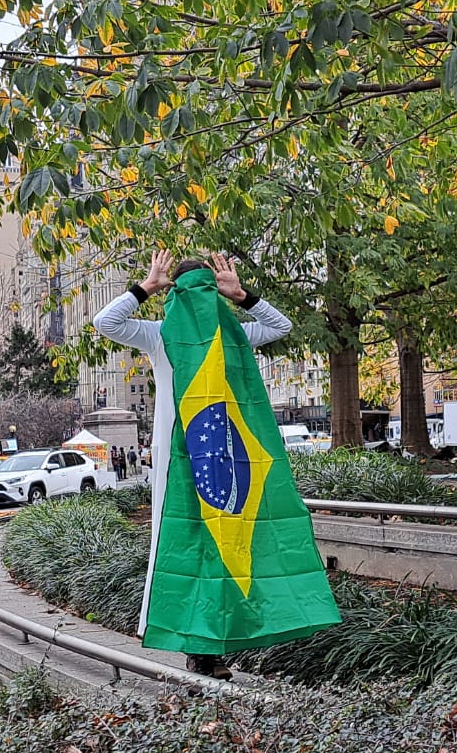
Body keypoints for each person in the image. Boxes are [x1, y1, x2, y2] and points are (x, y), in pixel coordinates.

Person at [92, 249, 340, 678]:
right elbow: (104, 324)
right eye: (193, 293)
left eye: (207, 294)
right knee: (189, 549)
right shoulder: (158, 334)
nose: (199, 304)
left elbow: (281, 326)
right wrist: (146, 286)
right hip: (177, 463)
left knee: (232, 546)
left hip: (233, 457)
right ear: (174, 297)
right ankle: (200, 651)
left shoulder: (236, 336)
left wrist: (243, 295)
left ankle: (220, 645)